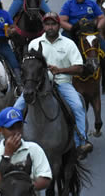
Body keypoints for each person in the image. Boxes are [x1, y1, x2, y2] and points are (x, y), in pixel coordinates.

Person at [13, 13, 94, 158]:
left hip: (62, 83)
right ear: (43, 26)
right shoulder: (34, 43)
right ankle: (11, 142)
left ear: (59, 26)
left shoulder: (68, 44)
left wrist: (60, 70)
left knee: (77, 106)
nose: (50, 27)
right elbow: (28, 66)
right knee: (16, 108)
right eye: (47, 24)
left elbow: (79, 68)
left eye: (53, 24)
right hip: (38, 86)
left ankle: (81, 141)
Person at [59, 0, 105, 94]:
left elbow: (102, 17)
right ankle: (59, 81)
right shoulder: (68, 4)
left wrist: (97, 27)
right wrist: (73, 28)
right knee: (60, 52)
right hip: (74, 32)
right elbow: (62, 20)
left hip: (90, 33)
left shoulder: (91, 4)